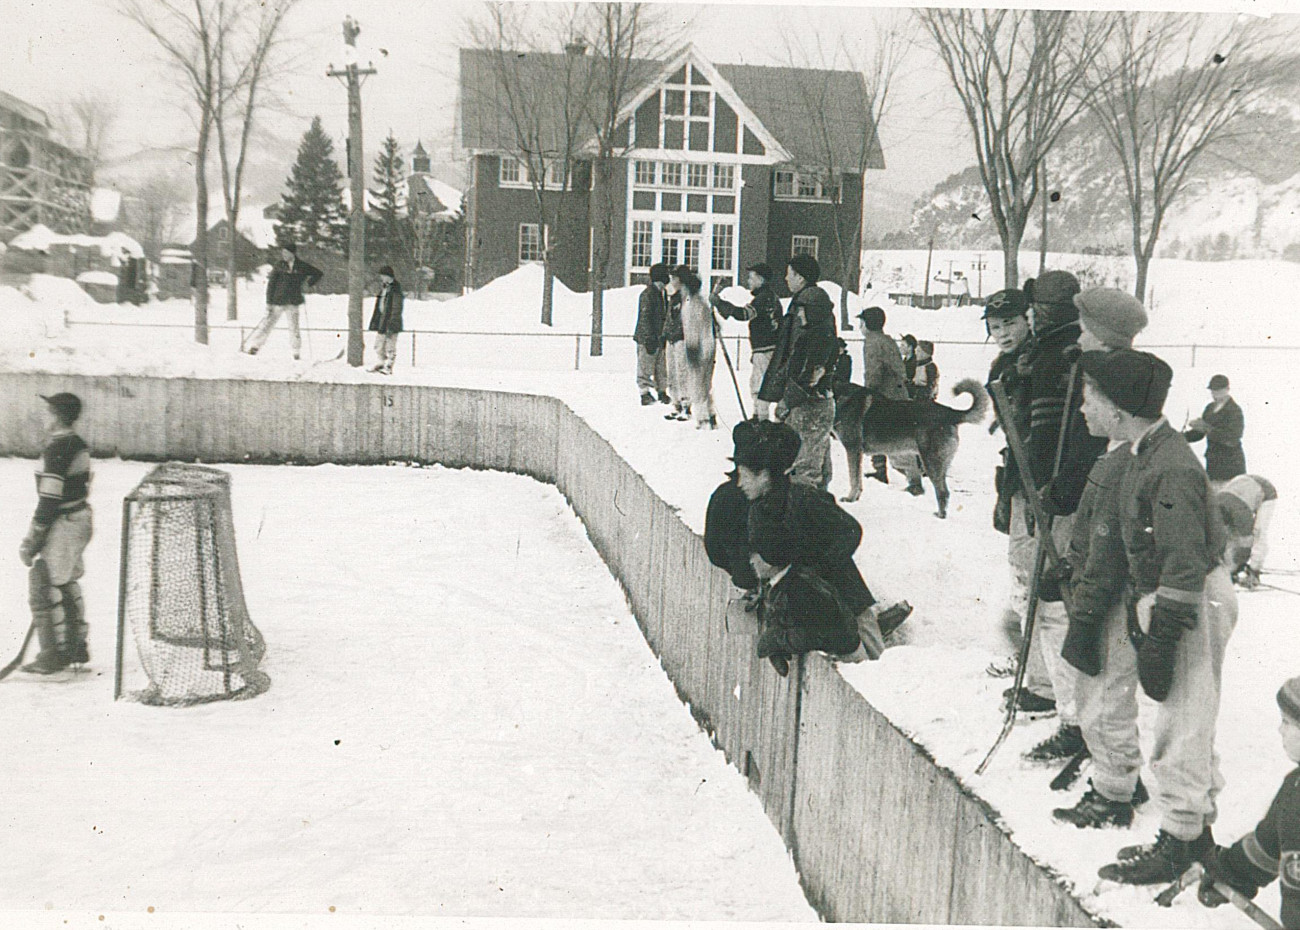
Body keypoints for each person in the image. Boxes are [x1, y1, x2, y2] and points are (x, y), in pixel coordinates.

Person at [1070, 349, 1238, 886]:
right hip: (1176, 595)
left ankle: (1180, 840)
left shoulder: (1167, 466)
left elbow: (1184, 559)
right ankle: (1195, 830)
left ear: (1118, 411)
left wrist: (1163, 635)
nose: (1081, 409)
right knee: (1187, 713)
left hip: (1187, 600)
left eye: (1088, 398)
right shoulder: (1147, 451)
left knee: (1182, 717)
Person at [1006, 270, 1108, 763]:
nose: (1029, 315)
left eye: (1034, 307)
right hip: (1037, 487)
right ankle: (1048, 688)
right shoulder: (1045, 353)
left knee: (1052, 599)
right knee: (1034, 591)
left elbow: (1056, 435)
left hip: (1051, 492)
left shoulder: (1061, 357)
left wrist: (1053, 490)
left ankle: (1074, 718)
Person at [735, 421, 892, 674]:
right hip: (812, 605)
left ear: (764, 475)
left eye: (745, 475)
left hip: (847, 598)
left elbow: (850, 530)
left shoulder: (805, 499)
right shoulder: (758, 511)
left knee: (875, 671)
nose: (740, 483)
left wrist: (819, 566)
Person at [1195, 675, 1300, 929]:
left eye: (1287, 722)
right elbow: (1269, 843)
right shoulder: (1294, 788)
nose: (1280, 730)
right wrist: (1232, 872)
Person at [20, 393, 93, 674]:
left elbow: (50, 499)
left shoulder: (60, 447)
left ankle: (53, 655)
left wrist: (34, 537)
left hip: (65, 521)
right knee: (64, 581)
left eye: (48, 411)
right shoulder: (75, 443)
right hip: (78, 519)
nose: (44, 417)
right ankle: (75, 646)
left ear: (58, 416)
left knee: (44, 585)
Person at [758, 254, 838, 489]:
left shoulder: (809, 309)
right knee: (816, 464)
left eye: (789, 273)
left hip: (806, 403)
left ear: (800, 277)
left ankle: (806, 517)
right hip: (813, 400)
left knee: (803, 468)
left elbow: (804, 365)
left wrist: (788, 399)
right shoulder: (812, 307)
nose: (786, 278)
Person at [711, 262, 783, 420]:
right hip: (767, 349)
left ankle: (761, 420)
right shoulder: (770, 297)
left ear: (761, 279)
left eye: (751, 277)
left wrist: (720, 303)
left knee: (761, 387)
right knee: (758, 384)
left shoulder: (763, 299)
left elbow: (744, 314)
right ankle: (759, 416)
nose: (749, 281)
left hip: (765, 349)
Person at [856, 305, 910, 484]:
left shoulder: (872, 341)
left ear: (867, 324)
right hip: (896, 394)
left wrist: (868, 393)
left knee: (892, 436)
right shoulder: (886, 339)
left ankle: (913, 480)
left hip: (886, 397)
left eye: (861, 322)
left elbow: (874, 372)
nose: (860, 327)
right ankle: (881, 470)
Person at [244, 244, 323, 360]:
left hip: (293, 301)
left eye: (286, 253)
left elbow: (318, 273)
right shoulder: (279, 265)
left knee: (294, 327)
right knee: (267, 324)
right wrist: (269, 302)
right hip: (278, 301)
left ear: (293, 253)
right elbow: (271, 285)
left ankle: (296, 352)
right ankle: (255, 347)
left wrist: (308, 284)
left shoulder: (301, 266)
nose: (284, 255)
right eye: (283, 253)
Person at [672, 265, 718, 430]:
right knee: (705, 384)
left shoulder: (691, 304)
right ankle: (711, 414)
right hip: (709, 346)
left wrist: (692, 350)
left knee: (697, 385)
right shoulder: (701, 302)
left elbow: (692, 331)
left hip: (698, 348)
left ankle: (703, 419)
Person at [1216, 474, 1279, 588]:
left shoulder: (1241, 514)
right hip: (1241, 486)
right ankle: (1231, 568)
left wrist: (1239, 565)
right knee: (1230, 537)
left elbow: (1246, 546)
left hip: (1266, 492)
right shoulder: (1213, 509)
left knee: (1258, 532)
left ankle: (1254, 572)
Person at [1184, 374, 1246, 485]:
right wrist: (1180, 437)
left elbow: (1233, 437)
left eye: (1218, 390)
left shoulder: (1234, 410)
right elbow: (1199, 434)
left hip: (1231, 464)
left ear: (1227, 389)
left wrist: (1205, 427)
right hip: (1213, 462)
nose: (1215, 394)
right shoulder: (1209, 408)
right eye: (1213, 391)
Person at [634, 263, 671, 406]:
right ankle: (644, 392)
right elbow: (645, 317)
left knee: (661, 366)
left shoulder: (662, 293)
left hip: (659, 337)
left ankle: (661, 390)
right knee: (645, 365)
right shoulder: (648, 294)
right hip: (648, 338)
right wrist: (649, 337)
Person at [366, 265, 404, 375]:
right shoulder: (384, 288)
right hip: (382, 321)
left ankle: (388, 366)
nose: (381, 278)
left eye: (383, 276)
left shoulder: (395, 289)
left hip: (390, 322)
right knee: (379, 344)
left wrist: (392, 322)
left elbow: (396, 307)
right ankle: (381, 362)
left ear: (388, 276)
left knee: (390, 345)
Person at [662, 280, 689, 421]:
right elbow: (668, 318)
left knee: (682, 372)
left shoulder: (687, 299)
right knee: (672, 372)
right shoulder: (671, 300)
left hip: (682, 339)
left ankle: (686, 404)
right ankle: (676, 403)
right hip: (671, 339)